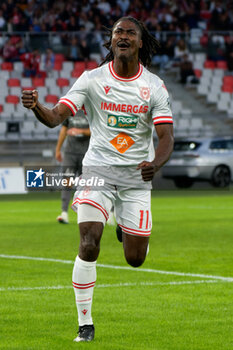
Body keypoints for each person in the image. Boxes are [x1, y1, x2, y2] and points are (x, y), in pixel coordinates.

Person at [21, 16, 174, 343]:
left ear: (139, 42)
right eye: (118, 31)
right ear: (110, 41)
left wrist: (155, 164)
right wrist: (36, 107)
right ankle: (85, 325)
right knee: (89, 242)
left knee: (135, 259)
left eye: (130, 32)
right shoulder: (91, 80)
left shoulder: (154, 87)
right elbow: (55, 118)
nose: (123, 36)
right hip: (97, 173)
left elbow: (166, 137)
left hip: (135, 178)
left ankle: (123, 225)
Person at [55, 110, 90, 224]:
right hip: (70, 153)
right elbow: (64, 130)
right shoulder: (69, 111)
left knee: (86, 185)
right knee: (67, 181)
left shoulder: (91, 109)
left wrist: (81, 131)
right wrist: (58, 149)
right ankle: (64, 213)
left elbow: (97, 131)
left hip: (86, 154)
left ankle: (86, 213)